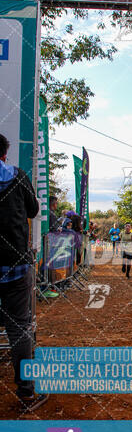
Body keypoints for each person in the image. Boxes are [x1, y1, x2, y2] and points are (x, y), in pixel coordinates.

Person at [0, 134, 49, 410]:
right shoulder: (16, 176)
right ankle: (27, 394)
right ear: (5, 154)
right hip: (15, 264)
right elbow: (33, 209)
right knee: (19, 328)